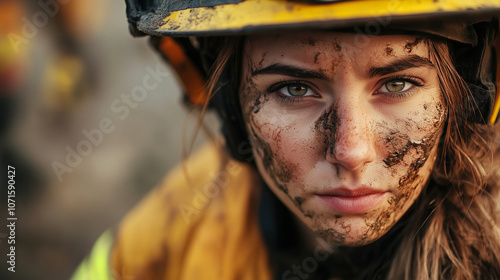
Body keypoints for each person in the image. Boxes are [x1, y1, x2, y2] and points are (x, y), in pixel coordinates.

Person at [72, 1, 500, 279]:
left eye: (398, 84)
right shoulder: (186, 219)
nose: (351, 151)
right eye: (294, 90)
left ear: (467, 97)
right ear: (232, 106)